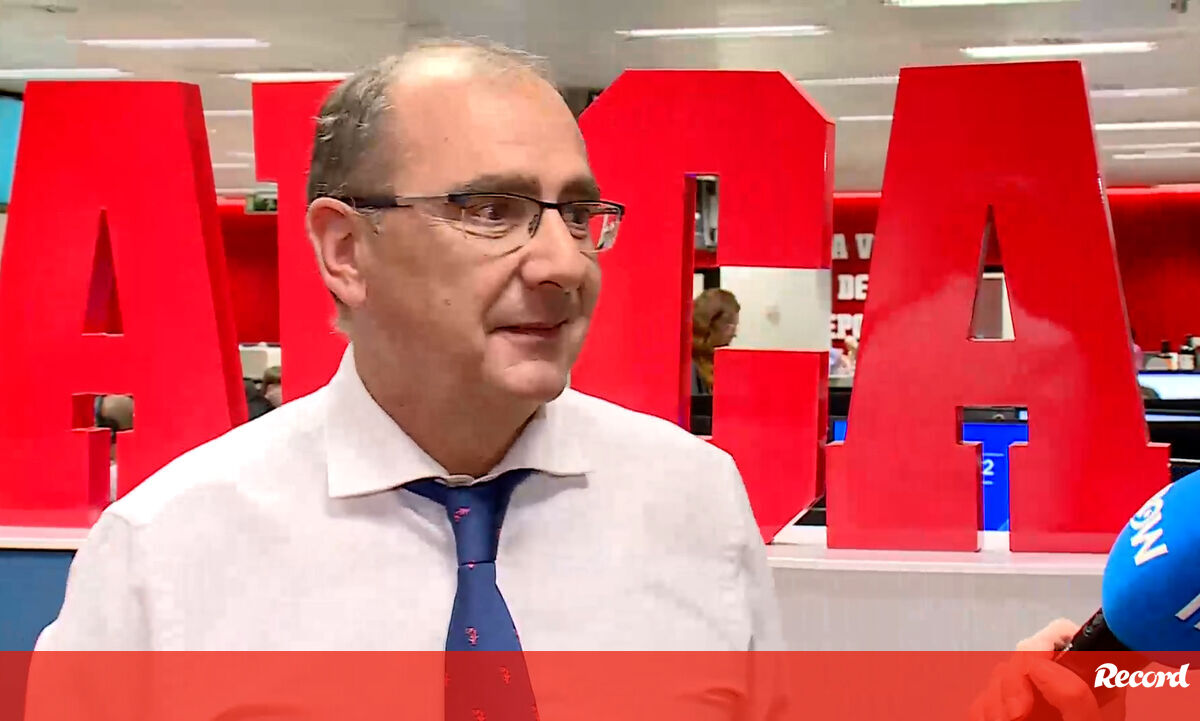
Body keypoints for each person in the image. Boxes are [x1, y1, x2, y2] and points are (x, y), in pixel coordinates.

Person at [36, 39, 778, 653]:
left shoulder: (697, 503)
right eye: (491, 210)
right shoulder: (164, 553)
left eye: (578, 214)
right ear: (347, 251)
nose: (564, 263)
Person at [691, 288, 740, 394]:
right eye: (729, 325)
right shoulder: (687, 369)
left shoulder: (725, 366)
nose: (734, 334)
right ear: (708, 325)